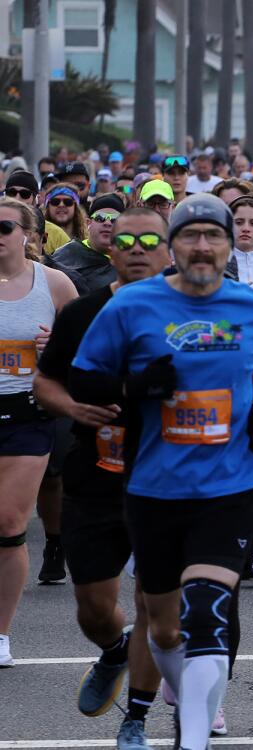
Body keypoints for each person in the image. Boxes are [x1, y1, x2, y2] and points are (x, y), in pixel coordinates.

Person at [69, 194, 253, 750]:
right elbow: (83, 384)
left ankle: (192, 738)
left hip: (232, 486)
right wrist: (135, 388)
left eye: (213, 236)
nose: (202, 246)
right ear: (172, 245)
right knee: (166, 628)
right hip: (153, 489)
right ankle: (181, 706)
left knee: (207, 614)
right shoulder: (130, 307)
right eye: (190, 235)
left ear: (230, 246)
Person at [34, 205, 170, 748]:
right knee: (93, 606)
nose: (136, 248)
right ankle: (114, 650)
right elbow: (45, 385)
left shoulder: (196, 312)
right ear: (109, 248)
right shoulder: (83, 314)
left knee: (153, 604)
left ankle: (135, 717)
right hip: (95, 473)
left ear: (170, 250)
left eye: (149, 240)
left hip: (167, 477)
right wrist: (75, 408)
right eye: (126, 239)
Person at [0, 198, 77, 668]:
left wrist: (57, 348)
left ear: (28, 233)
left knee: (9, 525)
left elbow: (87, 346)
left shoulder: (53, 283)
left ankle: (1, 633)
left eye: (5, 226)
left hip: (28, 414)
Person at [52, 193, 125, 296]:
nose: (107, 223)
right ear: (88, 223)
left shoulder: (129, 261)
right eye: (100, 218)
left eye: (114, 219)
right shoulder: (66, 254)